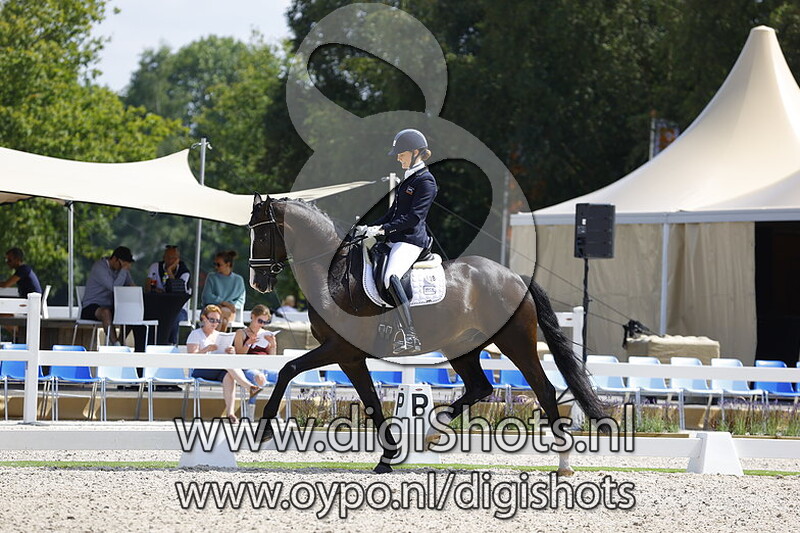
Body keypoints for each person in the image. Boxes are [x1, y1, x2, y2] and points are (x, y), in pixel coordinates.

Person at [356, 129, 438, 354]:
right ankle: (384, 323)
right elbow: (392, 214)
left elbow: (414, 218)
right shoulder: (407, 180)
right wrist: (368, 227)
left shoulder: (426, 181)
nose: (398, 158)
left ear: (415, 152)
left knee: (390, 276)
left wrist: (383, 229)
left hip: (411, 241)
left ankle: (410, 335)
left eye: (401, 154)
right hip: (396, 238)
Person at [188, 304, 263, 424]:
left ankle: (230, 413)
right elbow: (191, 357)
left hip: (218, 368)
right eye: (212, 320)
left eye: (217, 321)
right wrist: (206, 349)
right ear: (204, 318)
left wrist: (231, 351)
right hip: (201, 369)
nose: (215, 323)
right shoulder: (196, 334)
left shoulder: (219, 335)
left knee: (229, 375)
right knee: (227, 364)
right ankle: (249, 387)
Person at [81, 246, 137, 346]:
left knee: (130, 312)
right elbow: (114, 287)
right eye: (121, 265)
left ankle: (119, 342)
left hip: (109, 306)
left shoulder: (122, 270)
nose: (122, 268)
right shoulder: (100, 267)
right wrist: (124, 270)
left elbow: (131, 285)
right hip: (91, 306)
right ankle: (115, 344)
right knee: (105, 312)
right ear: (114, 259)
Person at [146, 245, 191, 344]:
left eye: (173, 258)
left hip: (178, 309)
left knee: (175, 317)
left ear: (178, 259)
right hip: (158, 306)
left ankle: (172, 344)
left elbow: (178, 290)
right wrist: (155, 289)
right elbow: (148, 287)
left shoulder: (184, 272)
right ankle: (152, 344)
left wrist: (169, 271)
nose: (170, 260)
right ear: (163, 257)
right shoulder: (155, 267)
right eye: (168, 257)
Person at [233, 304, 275, 407]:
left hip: (265, 367)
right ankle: (251, 406)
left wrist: (273, 344)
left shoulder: (266, 334)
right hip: (248, 367)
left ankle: (275, 407)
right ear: (252, 316)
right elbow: (239, 355)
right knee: (259, 378)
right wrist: (248, 343)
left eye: (265, 322)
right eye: (260, 321)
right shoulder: (241, 333)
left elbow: (272, 358)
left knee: (283, 376)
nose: (262, 325)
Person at [201, 250, 246, 331]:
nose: (216, 267)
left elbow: (240, 300)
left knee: (223, 312)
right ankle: (220, 336)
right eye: (215, 264)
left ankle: (214, 336)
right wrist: (224, 303)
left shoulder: (238, 280)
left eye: (218, 264)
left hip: (230, 311)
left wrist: (228, 305)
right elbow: (206, 296)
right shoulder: (211, 277)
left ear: (228, 264)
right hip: (212, 310)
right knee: (222, 319)